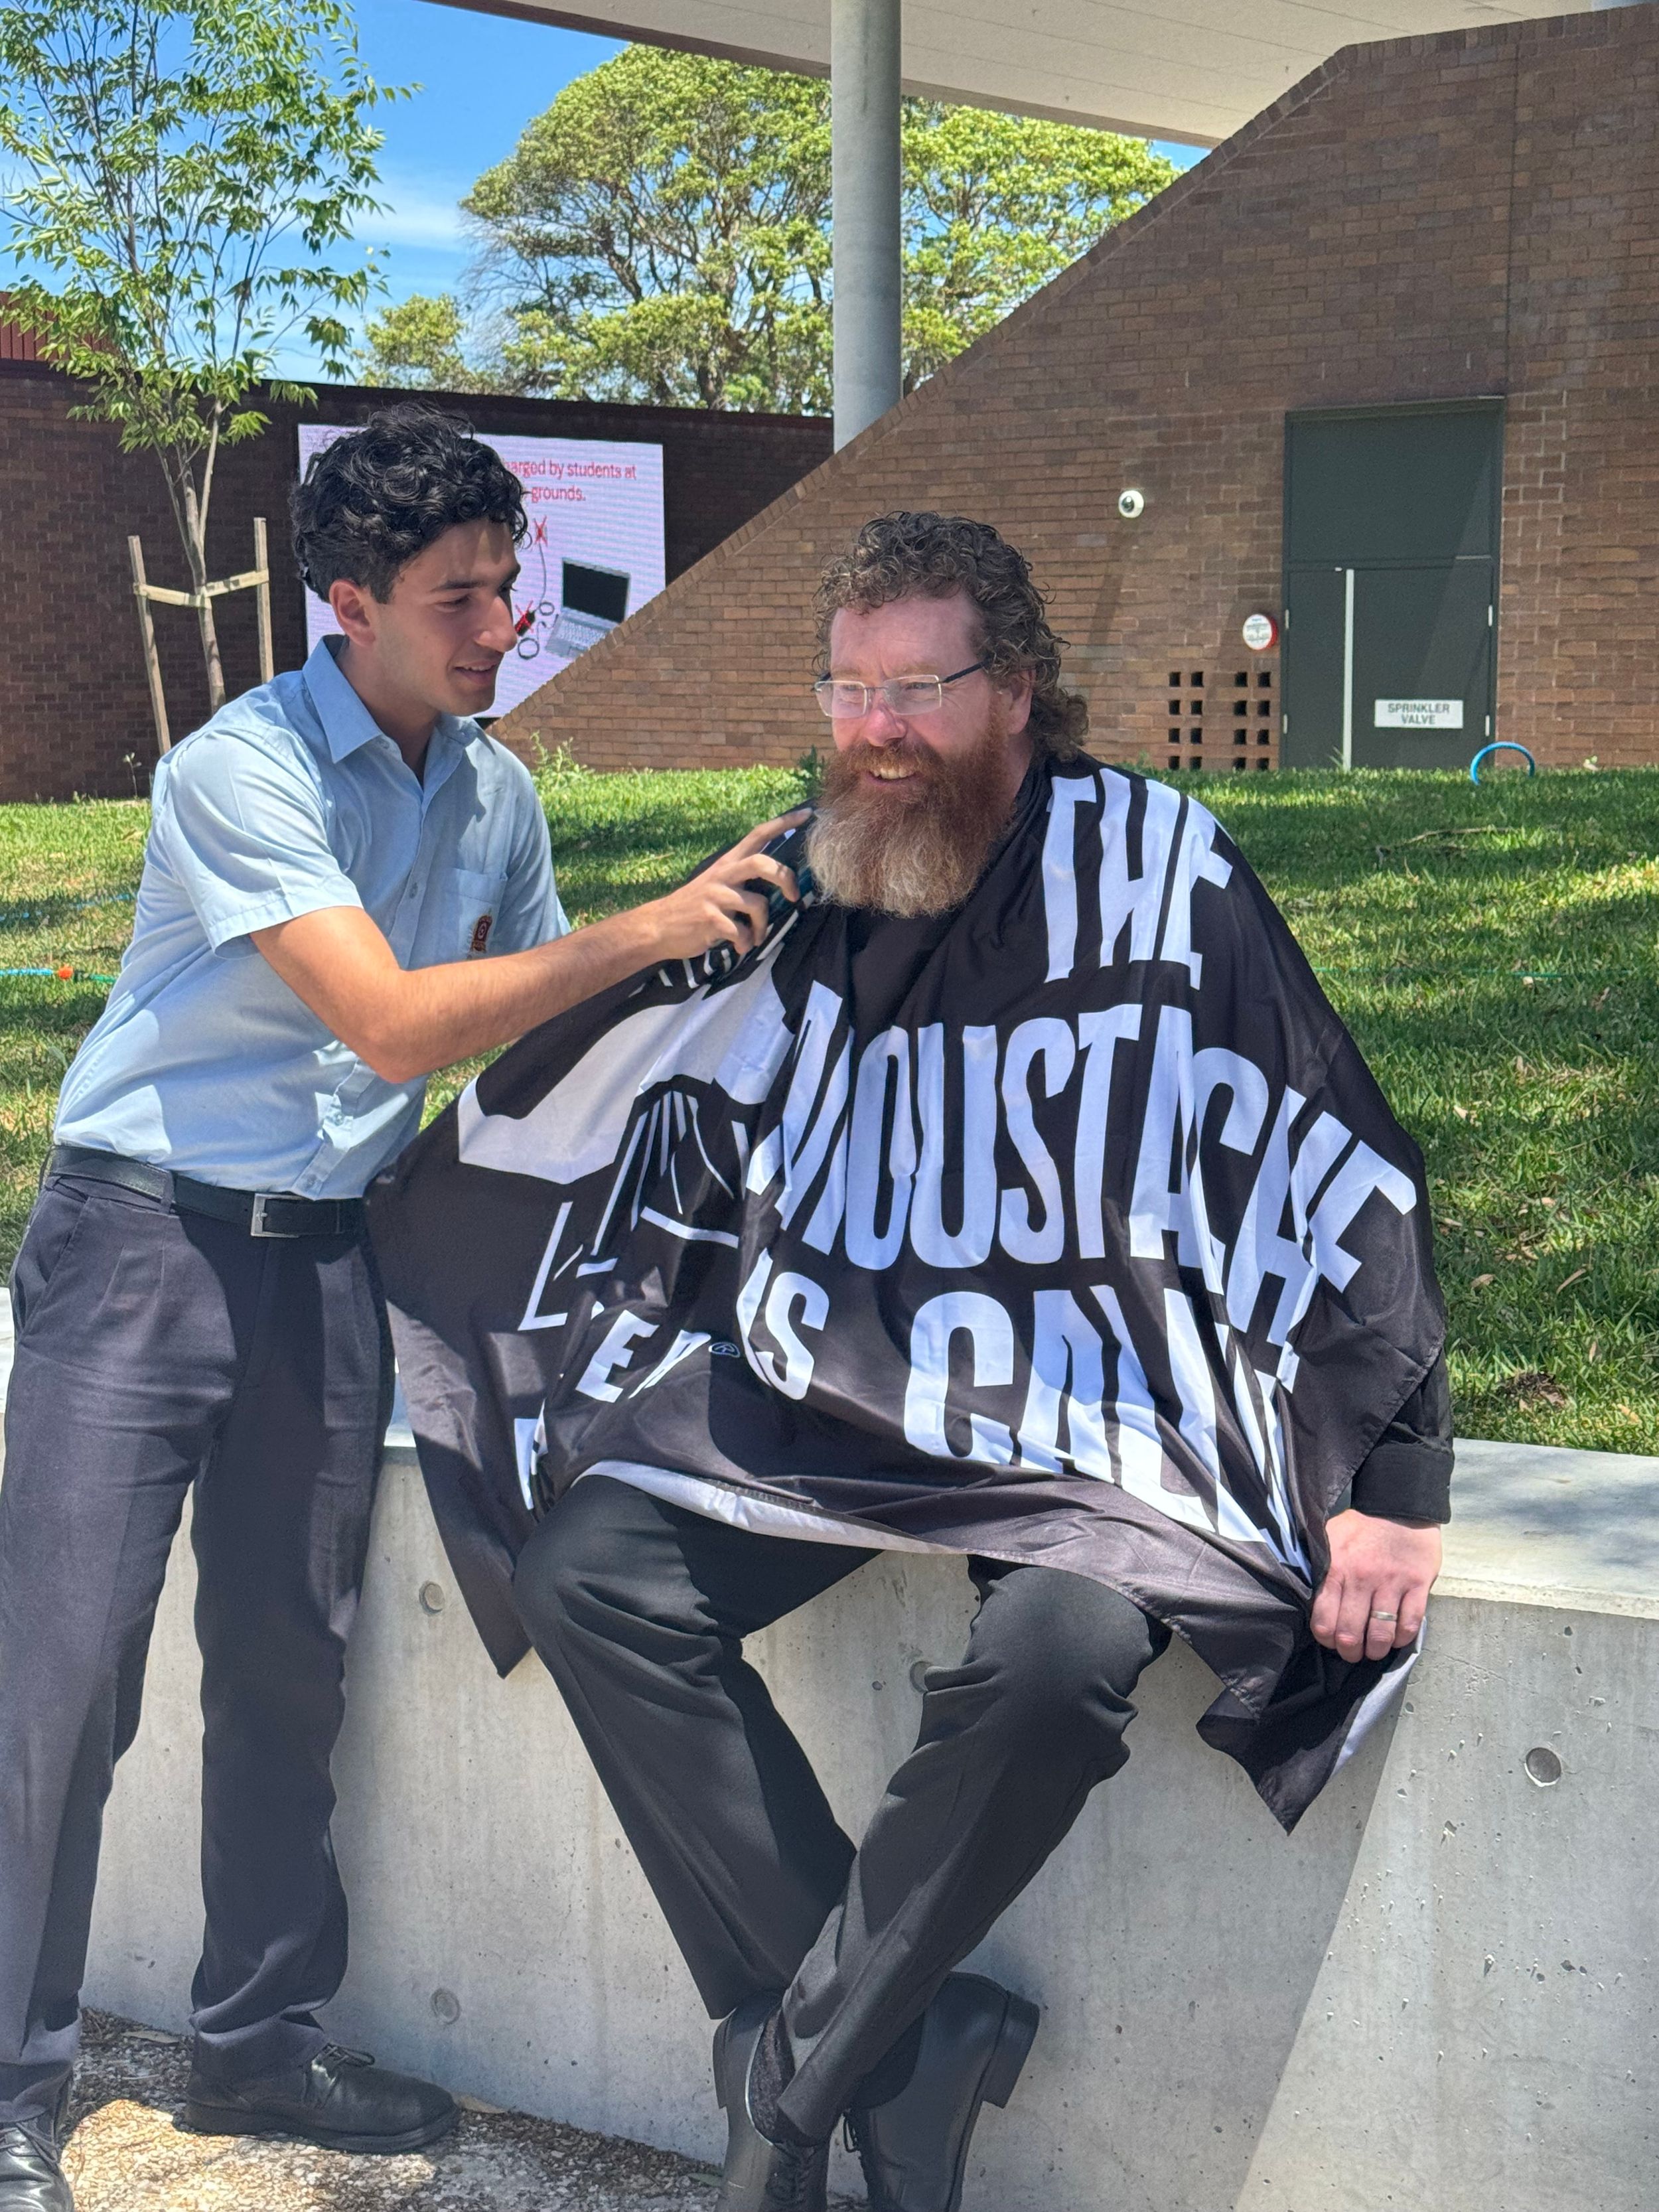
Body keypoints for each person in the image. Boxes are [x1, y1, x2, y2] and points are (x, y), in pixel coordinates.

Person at [369, 510, 1453, 2212]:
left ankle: (791, 2080)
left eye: (918, 689)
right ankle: (910, 2041)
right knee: (588, 1571)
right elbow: (649, 1071)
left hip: (1100, 1403)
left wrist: (1397, 1479)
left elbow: (1330, 1145)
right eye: (847, 687)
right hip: (844, 1372)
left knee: (1057, 1657)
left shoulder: (1158, 865)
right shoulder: (803, 879)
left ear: (1014, 688)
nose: (874, 730)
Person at [0, 404, 800, 2212]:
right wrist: (649, 927)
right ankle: (8, 2087)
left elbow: (528, 1036)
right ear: (347, 603)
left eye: (511, 585)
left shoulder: (492, 794)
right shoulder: (241, 767)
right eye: (460, 596)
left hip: (329, 1259)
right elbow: (389, 1022)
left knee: (292, 1657)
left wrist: (735, 961)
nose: (503, 624)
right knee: (64, 1680)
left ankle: (255, 2041)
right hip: (141, 1245)